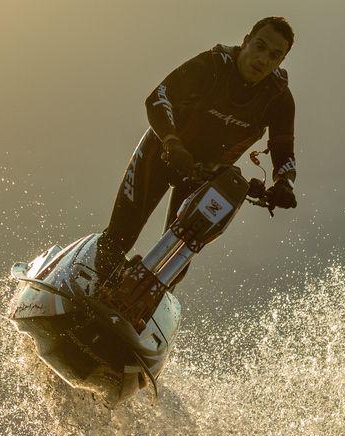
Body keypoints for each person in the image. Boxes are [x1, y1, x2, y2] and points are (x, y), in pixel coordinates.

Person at [102, 17, 299, 286]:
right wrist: (172, 142)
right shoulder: (212, 66)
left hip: (205, 176)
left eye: (274, 56)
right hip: (161, 152)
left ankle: (137, 308)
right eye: (259, 47)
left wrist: (284, 183)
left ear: (281, 61)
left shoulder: (279, 99)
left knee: (175, 265)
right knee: (118, 239)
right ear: (245, 41)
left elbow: (283, 147)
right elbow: (158, 98)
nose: (262, 59)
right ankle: (87, 281)